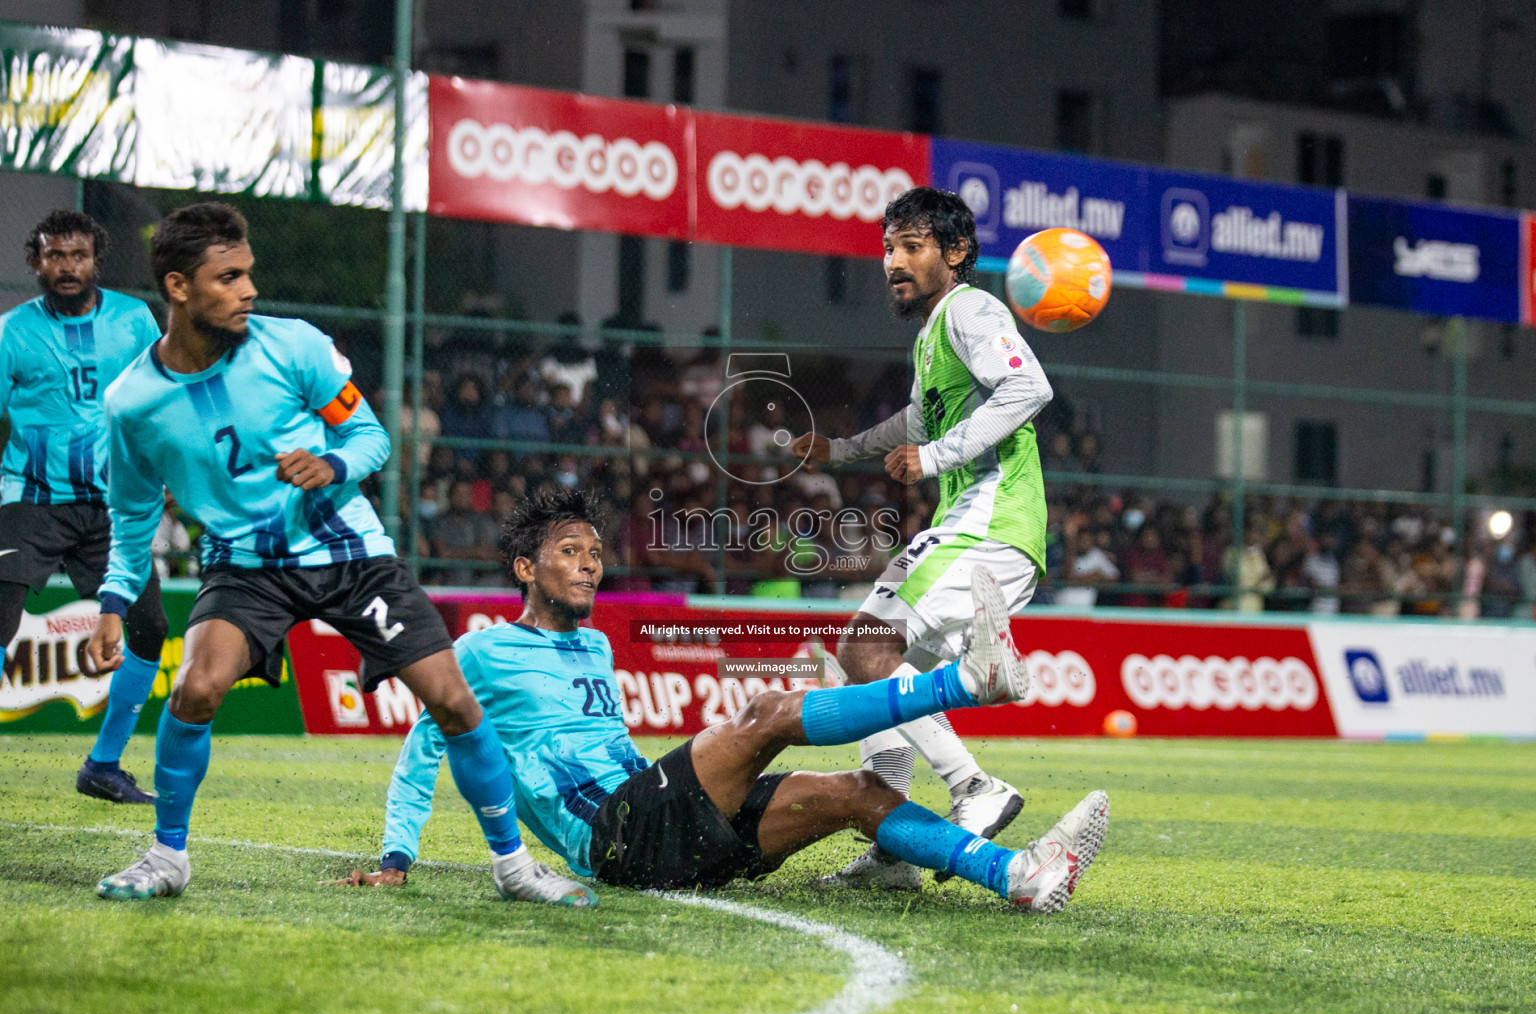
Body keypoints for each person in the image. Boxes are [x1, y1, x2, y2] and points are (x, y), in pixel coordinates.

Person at [83, 202, 591, 909]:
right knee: (195, 688)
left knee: (453, 702)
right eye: (227, 278)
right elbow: (132, 512)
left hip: (350, 555)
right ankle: (168, 855)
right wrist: (113, 602)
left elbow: (372, 438)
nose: (248, 290)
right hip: (245, 568)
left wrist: (331, 463)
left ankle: (513, 866)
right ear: (177, 286)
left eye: (249, 273)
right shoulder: (131, 402)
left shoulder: (294, 346)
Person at [333, 489, 1109, 914]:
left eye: (596, 553)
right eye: (568, 553)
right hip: (615, 837)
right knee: (768, 714)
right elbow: (421, 751)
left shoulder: (596, 646)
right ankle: (969, 684)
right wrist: (397, 858)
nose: (589, 566)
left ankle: (1019, 877)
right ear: (523, 569)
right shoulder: (481, 651)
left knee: (859, 793)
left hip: (667, 828)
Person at [790, 187, 1061, 890]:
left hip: (990, 521)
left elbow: (1028, 388)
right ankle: (896, 850)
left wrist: (936, 459)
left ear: (956, 253)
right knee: (873, 674)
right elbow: (915, 422)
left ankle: (975, 787)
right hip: (978, 525)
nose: (893, 262)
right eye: (888, 247)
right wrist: (843, 449)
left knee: (863, 648)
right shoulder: (934, 332)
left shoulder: (971, 308)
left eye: (911, 246)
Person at [0, 209, 168, 803]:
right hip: (30, 499)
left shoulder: (133, 321)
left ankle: (103, 766)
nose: (67, 266)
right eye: (54, 255)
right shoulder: (11, 332)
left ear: (96, 259)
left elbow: (160, 400)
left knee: (150, 626)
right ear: (36, 262)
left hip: (109, 508)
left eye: (78, 255)